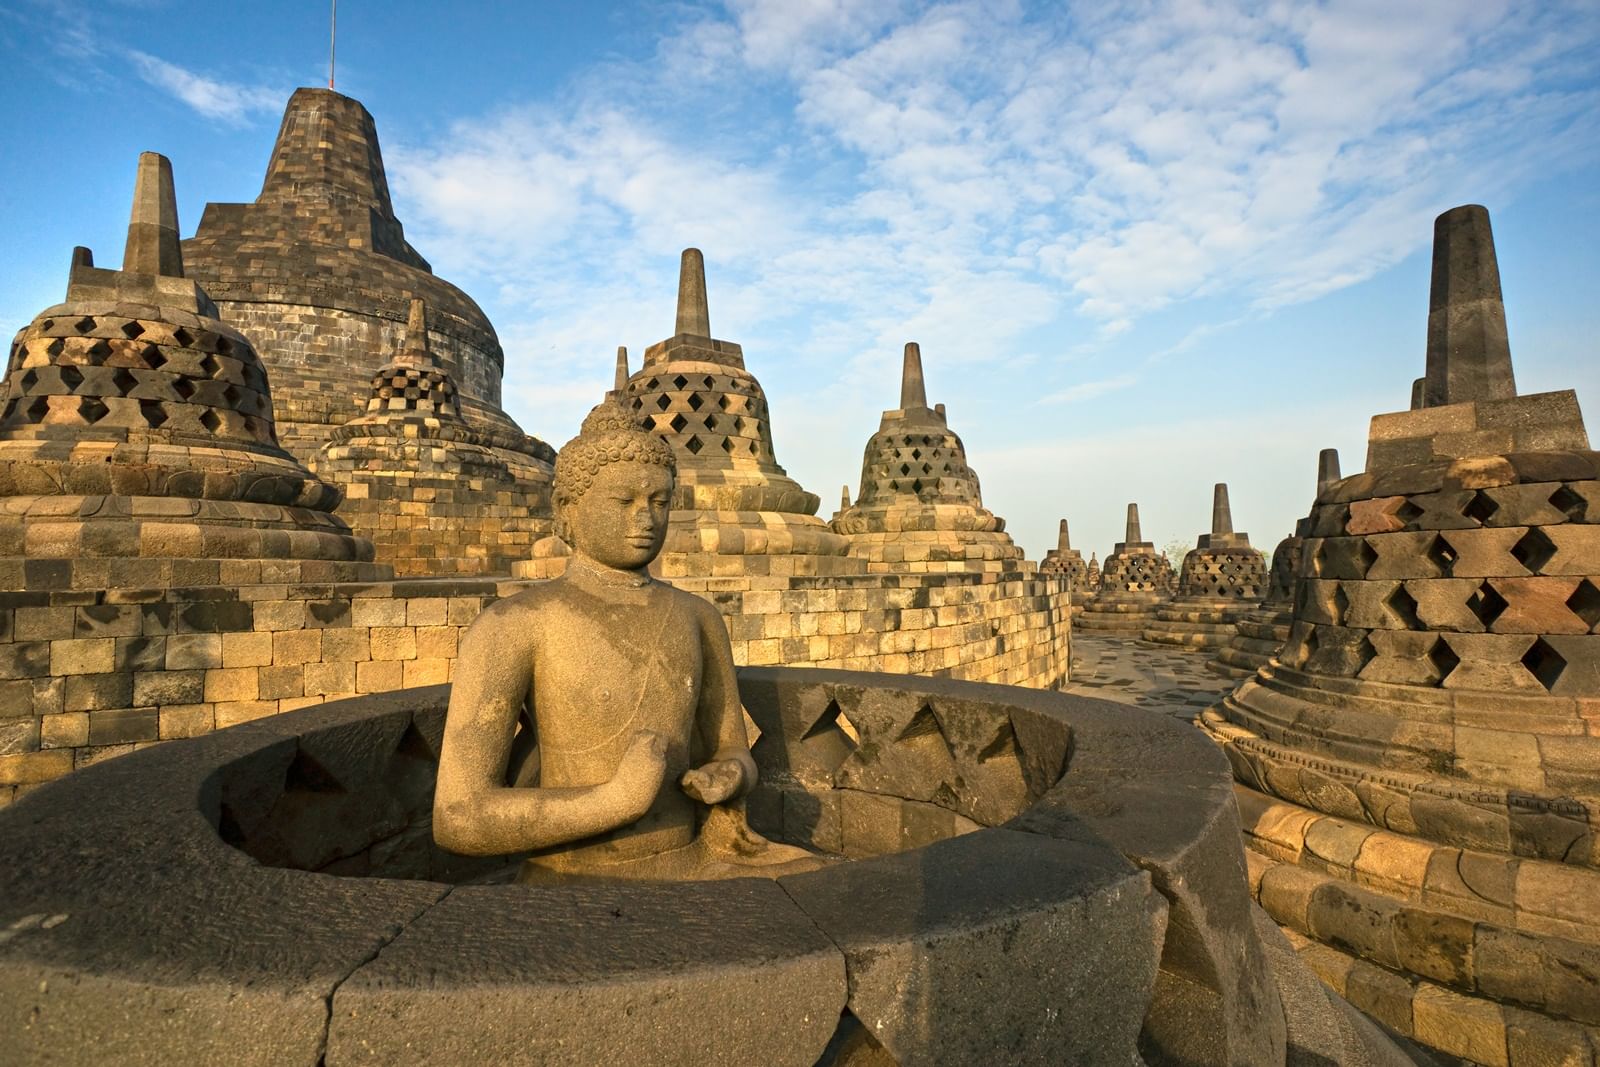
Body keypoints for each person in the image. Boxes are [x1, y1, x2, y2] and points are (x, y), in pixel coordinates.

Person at [432, 400, 820, 881]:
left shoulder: (698, 617)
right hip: (575, 876)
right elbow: (457, 817)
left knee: (835, 889)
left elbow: (731, 749)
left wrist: (731, 774)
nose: (647, 519)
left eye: (659, 502)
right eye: (624, 502)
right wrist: (614, 801)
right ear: (568, 510)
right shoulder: (514, 624)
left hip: (697, 860)